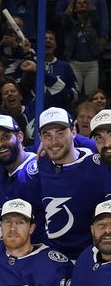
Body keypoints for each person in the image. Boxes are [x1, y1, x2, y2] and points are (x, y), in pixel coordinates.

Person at [36, 107, 106, 258]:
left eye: (60, 133)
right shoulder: (39, 164)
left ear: (74, 132)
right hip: (52, 258)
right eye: (47, 135)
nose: (54, 141)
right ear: (40, 138)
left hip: (89, 257)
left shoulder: (96, 165)